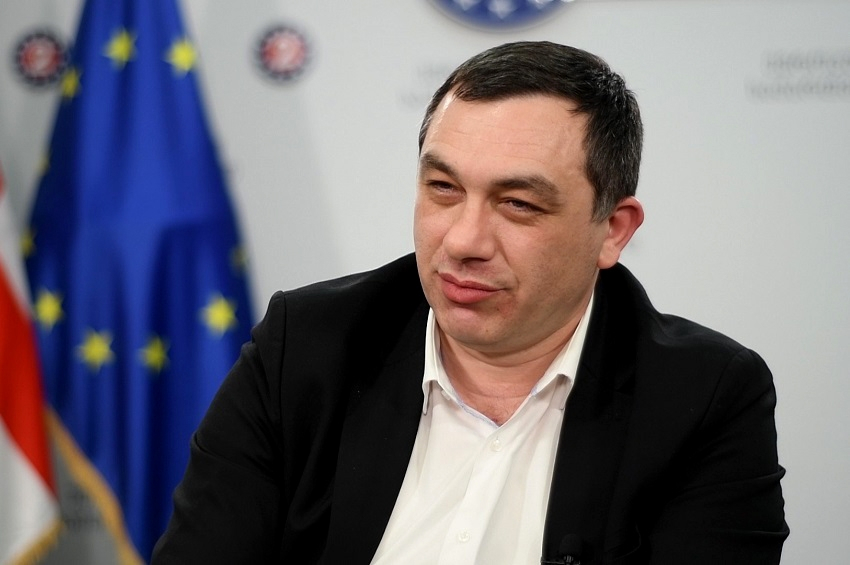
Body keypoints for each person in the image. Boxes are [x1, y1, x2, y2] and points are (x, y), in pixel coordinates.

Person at [152, 41, 788, 564]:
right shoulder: (307, 348)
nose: (463, 241)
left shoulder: (702, 397)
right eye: (443, 188)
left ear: (612, 231)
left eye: (518, 204)